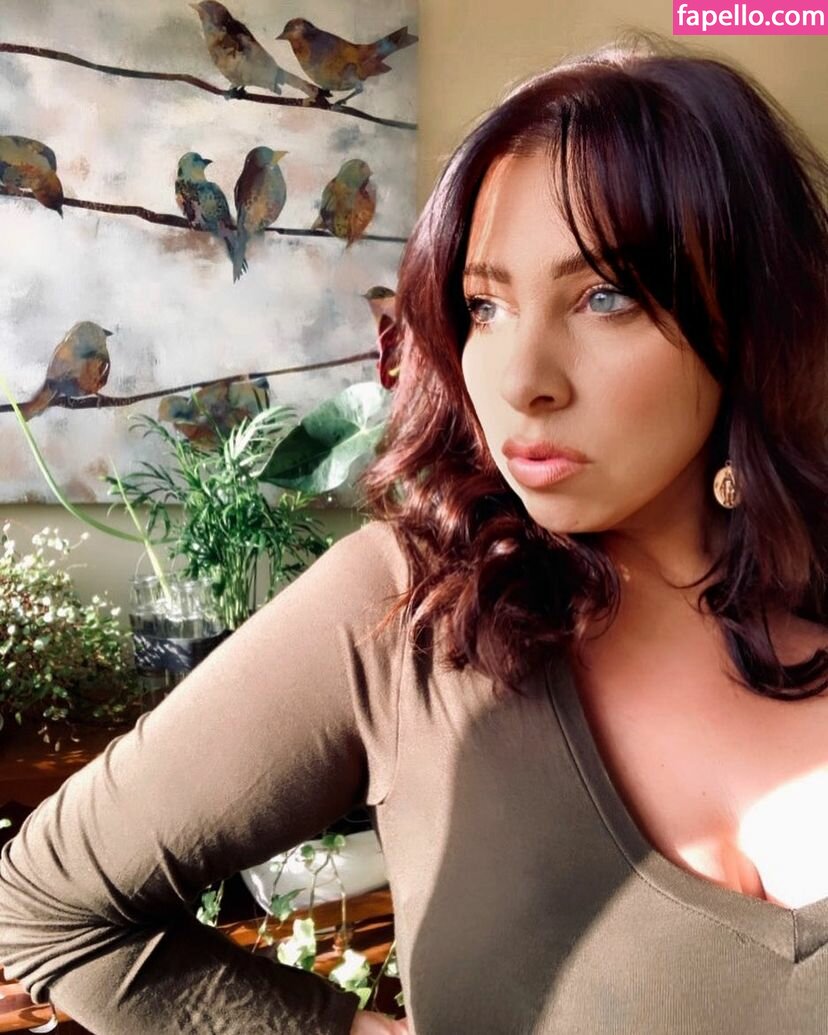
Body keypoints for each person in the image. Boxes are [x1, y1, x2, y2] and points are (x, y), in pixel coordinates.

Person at [2, 27, 828, 1034]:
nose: (522, 380)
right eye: (485, 305)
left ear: (754, 318)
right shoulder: (410, 614)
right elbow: (50, 906)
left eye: (605, 296)